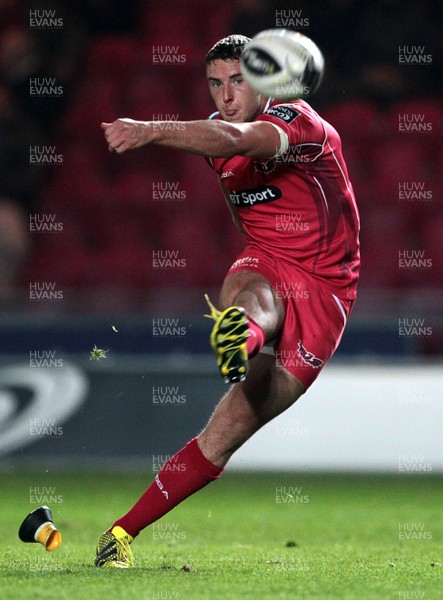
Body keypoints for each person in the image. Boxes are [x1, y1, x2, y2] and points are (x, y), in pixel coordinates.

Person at [95, 34, 360, 568]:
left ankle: (245, 334)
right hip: (265, 258)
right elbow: (238, 197)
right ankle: (118, 536)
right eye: (215, 84)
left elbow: (236, 138)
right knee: (256, 292)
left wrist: (151, 129)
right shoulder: (221, 149)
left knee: (224, 436)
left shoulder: (298, 124)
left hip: (329, 289)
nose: (226, 94)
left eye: (238, 81)